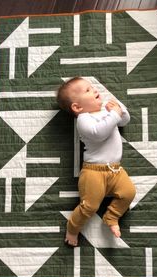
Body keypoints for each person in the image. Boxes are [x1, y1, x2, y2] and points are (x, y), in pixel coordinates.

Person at [57, 77, 136, 246]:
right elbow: (99, 133)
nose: (94, 90)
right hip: (93, 172)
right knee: (89, 207)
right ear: (77, 107)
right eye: (87, 90)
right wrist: (114, 115)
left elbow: (124, 120)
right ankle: (72, 228)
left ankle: (112, 216)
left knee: (129, 193)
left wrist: (119, 109)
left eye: (92, 87)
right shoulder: (84, 119)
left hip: (115, 170)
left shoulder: (107, 112)